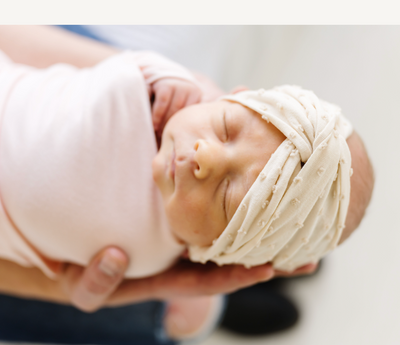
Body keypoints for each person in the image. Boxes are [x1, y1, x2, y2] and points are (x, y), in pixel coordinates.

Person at [0, 26, 374, 344]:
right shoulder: (157, 93)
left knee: (146, 301)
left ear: (212, 250)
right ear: (234, 96)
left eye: (229, 195)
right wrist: (162, 76)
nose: (204, 157)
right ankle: (200, 313)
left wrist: (62, 286)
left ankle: (207, 300)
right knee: (150, 313)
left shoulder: (147, 261)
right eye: (226, 128)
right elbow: (119, 70)